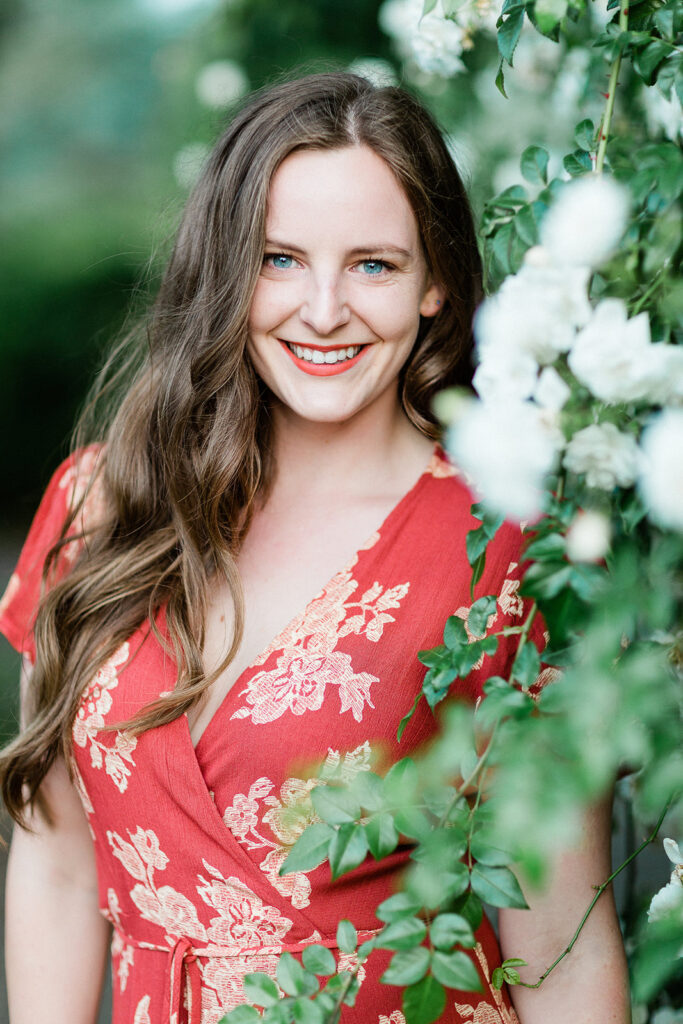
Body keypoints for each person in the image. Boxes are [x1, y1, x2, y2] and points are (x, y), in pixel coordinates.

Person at [0, 72, 629, 1024]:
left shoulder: (505, 547)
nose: (324, 309)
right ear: (225, 272)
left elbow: (559, 948)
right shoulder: (102, 506)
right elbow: (53, 865)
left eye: (373, 264)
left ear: (436, 284)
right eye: (279, 260)